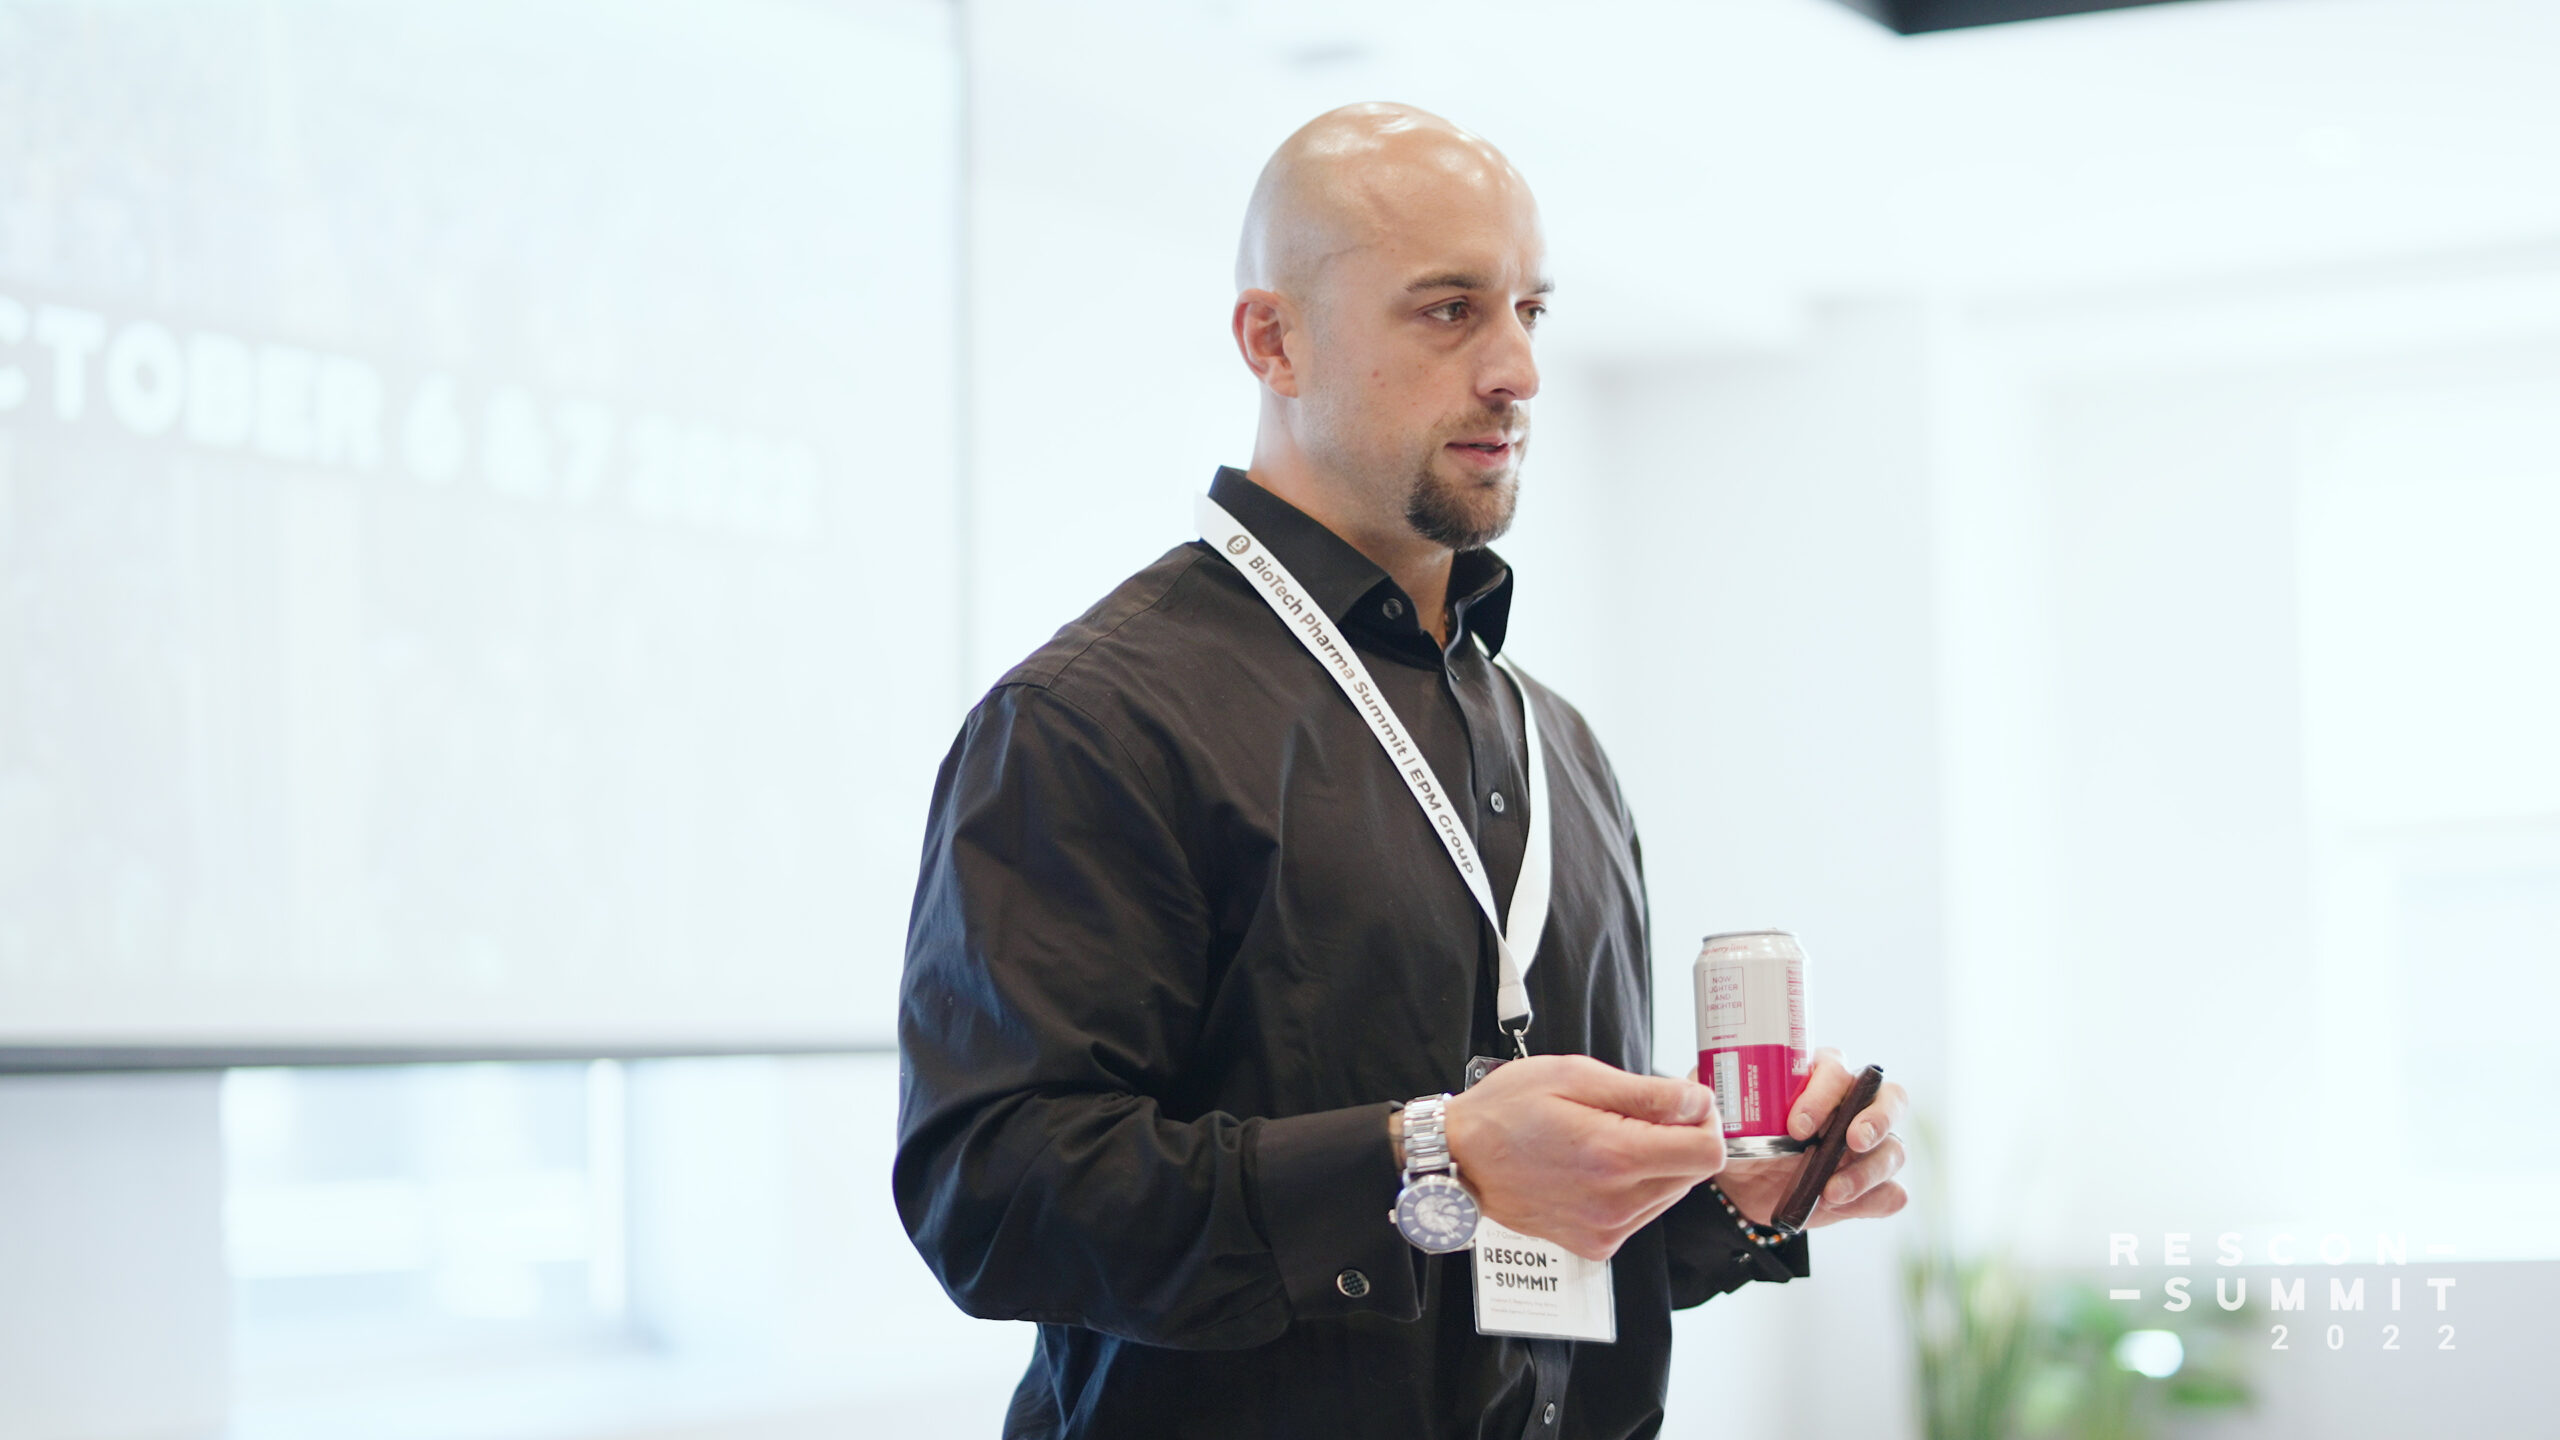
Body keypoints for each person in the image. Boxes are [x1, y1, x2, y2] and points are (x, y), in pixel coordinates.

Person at [895, 102, 1910, 1440]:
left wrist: (1727, 1199)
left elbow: (1526, 1276)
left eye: (1530, 312)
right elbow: (992, 1200)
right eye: (1448, 311)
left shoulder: (1561, 749)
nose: (1518, 370)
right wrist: (1430, 1156)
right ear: (1274, 340)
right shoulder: (1092, 720)